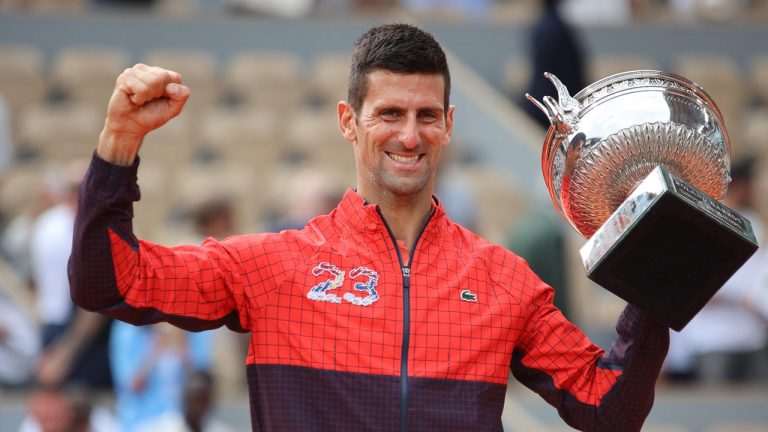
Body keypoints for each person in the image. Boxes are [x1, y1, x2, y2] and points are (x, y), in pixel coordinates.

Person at [69, 23, 669, 431]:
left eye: (426, 115)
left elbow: (608, 407)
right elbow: (109, 281)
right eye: (389, 113)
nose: (409, 136)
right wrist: (119, 142)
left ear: (448, 124)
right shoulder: (272, 266)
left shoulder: (503, 281)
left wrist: (663, 266)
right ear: (348, 122)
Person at [664, 155, 768, 383]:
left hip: (752, 337)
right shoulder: (701, 220)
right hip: (714, 340)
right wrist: (735, 297)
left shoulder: (753, 223)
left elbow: (758, 274)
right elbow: (691, 284)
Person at [520, 0, 587, 129]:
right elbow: (569, 72)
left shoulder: (544, 27)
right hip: (554, 104)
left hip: (547, 102)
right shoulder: (557, 29)